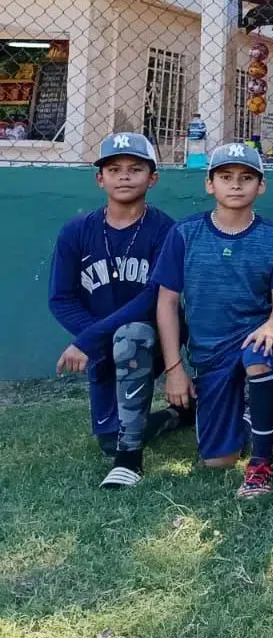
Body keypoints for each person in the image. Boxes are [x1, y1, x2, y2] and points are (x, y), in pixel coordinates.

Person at [154, 143, 273, 497]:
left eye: (246, 178)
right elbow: (167, 302)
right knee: (218, 461)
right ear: (209, 184)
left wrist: (272, 325)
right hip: (208, 353)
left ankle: (261, 462)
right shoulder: (185, 234)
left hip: (254, 340)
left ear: (260, 186)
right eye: (226, 177)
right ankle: (252, 420)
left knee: (261, 356)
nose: (235, 185)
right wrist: (174, 369)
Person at [48, 132, 184, 488]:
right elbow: (60, 298)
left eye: (135, 168)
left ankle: (134, 455)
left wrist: (91, 339)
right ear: (100, 178)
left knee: (131, 334)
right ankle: (176, 415)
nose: (124, 176)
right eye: (114, 168)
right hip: (103, 347)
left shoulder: (165, 230)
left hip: (148, 338)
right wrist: (97, 340)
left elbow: (154, 298)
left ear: (152, 178)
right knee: (110, 438)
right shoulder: (76, 231)